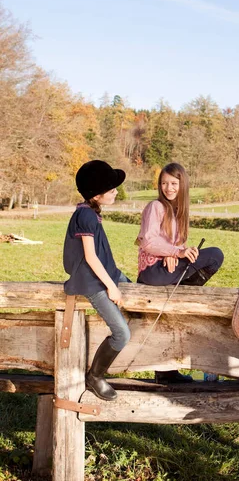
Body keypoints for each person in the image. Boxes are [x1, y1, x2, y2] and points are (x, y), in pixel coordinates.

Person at [136, 162, 224, 383]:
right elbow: (148, 241)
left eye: (174, 183)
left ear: (182, 184)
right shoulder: (156, 207)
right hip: (152, 272)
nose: (169, 188)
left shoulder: (179, 212)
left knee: (206, 256)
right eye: (164, 183)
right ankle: (183, 290)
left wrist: (176, 253)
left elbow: (171, 244)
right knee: (214, 255)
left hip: (165, 268)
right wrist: (177, 252)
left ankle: (166, 373)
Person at [63, 160, 131, 401]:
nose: (115, 192)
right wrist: (112, 287)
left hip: (107, 274)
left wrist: (117, 279)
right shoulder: (85, 217)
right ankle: (95, 376)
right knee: (122, 333)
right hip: (93, 283)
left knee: (138, 293)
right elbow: (90, 257)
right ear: (97, 194)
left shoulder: (90, 213)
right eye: (112, 189)